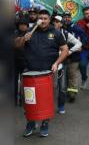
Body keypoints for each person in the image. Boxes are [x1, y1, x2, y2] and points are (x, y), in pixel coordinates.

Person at [15, 9, 69, 137]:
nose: (43, 21)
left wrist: (56, 63)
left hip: (47, 73)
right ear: (37, 19)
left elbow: (65, 49)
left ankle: (45, 123)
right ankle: (31, 123)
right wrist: (23, 39)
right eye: (41, 18)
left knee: (46, 100)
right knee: (29, 100)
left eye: (45, 18)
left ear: (49, 20)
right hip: (30, 72)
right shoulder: (29, 31)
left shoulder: (55, 33)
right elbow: (16, 46)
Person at [53, 16, 82, 113]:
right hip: (48, 63)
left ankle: (61, 106)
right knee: (51, 86)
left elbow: (79, 43)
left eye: (57, 22)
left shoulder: (65, 33)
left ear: (61, 24)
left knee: (62, 86)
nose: (55, 23)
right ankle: (46, 106)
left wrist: (69, 52)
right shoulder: (45, 32)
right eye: (54, 21)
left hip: (61, 63)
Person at [62, 11, 87, 102]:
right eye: (65, 17)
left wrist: (82, 46)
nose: (67, 19)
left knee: (72, 75)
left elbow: (84, 38)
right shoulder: (60, 28)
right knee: (64, 76)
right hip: (62, 56)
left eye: (68, 17)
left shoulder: (77, 28)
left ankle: (72, 94)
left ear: (71, 18)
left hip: (74, 56)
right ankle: (64, 92)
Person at [14, 16, 29, 105]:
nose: (23, 26)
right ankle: (14, 99)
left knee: (25, 82)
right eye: (21, 24)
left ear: (27, 26)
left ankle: (23, 99)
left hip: (26, 62)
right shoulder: (14, 33)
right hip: (14, 61)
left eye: (24, 25)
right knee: (14, 82)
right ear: (18, 25)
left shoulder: (31, 33)